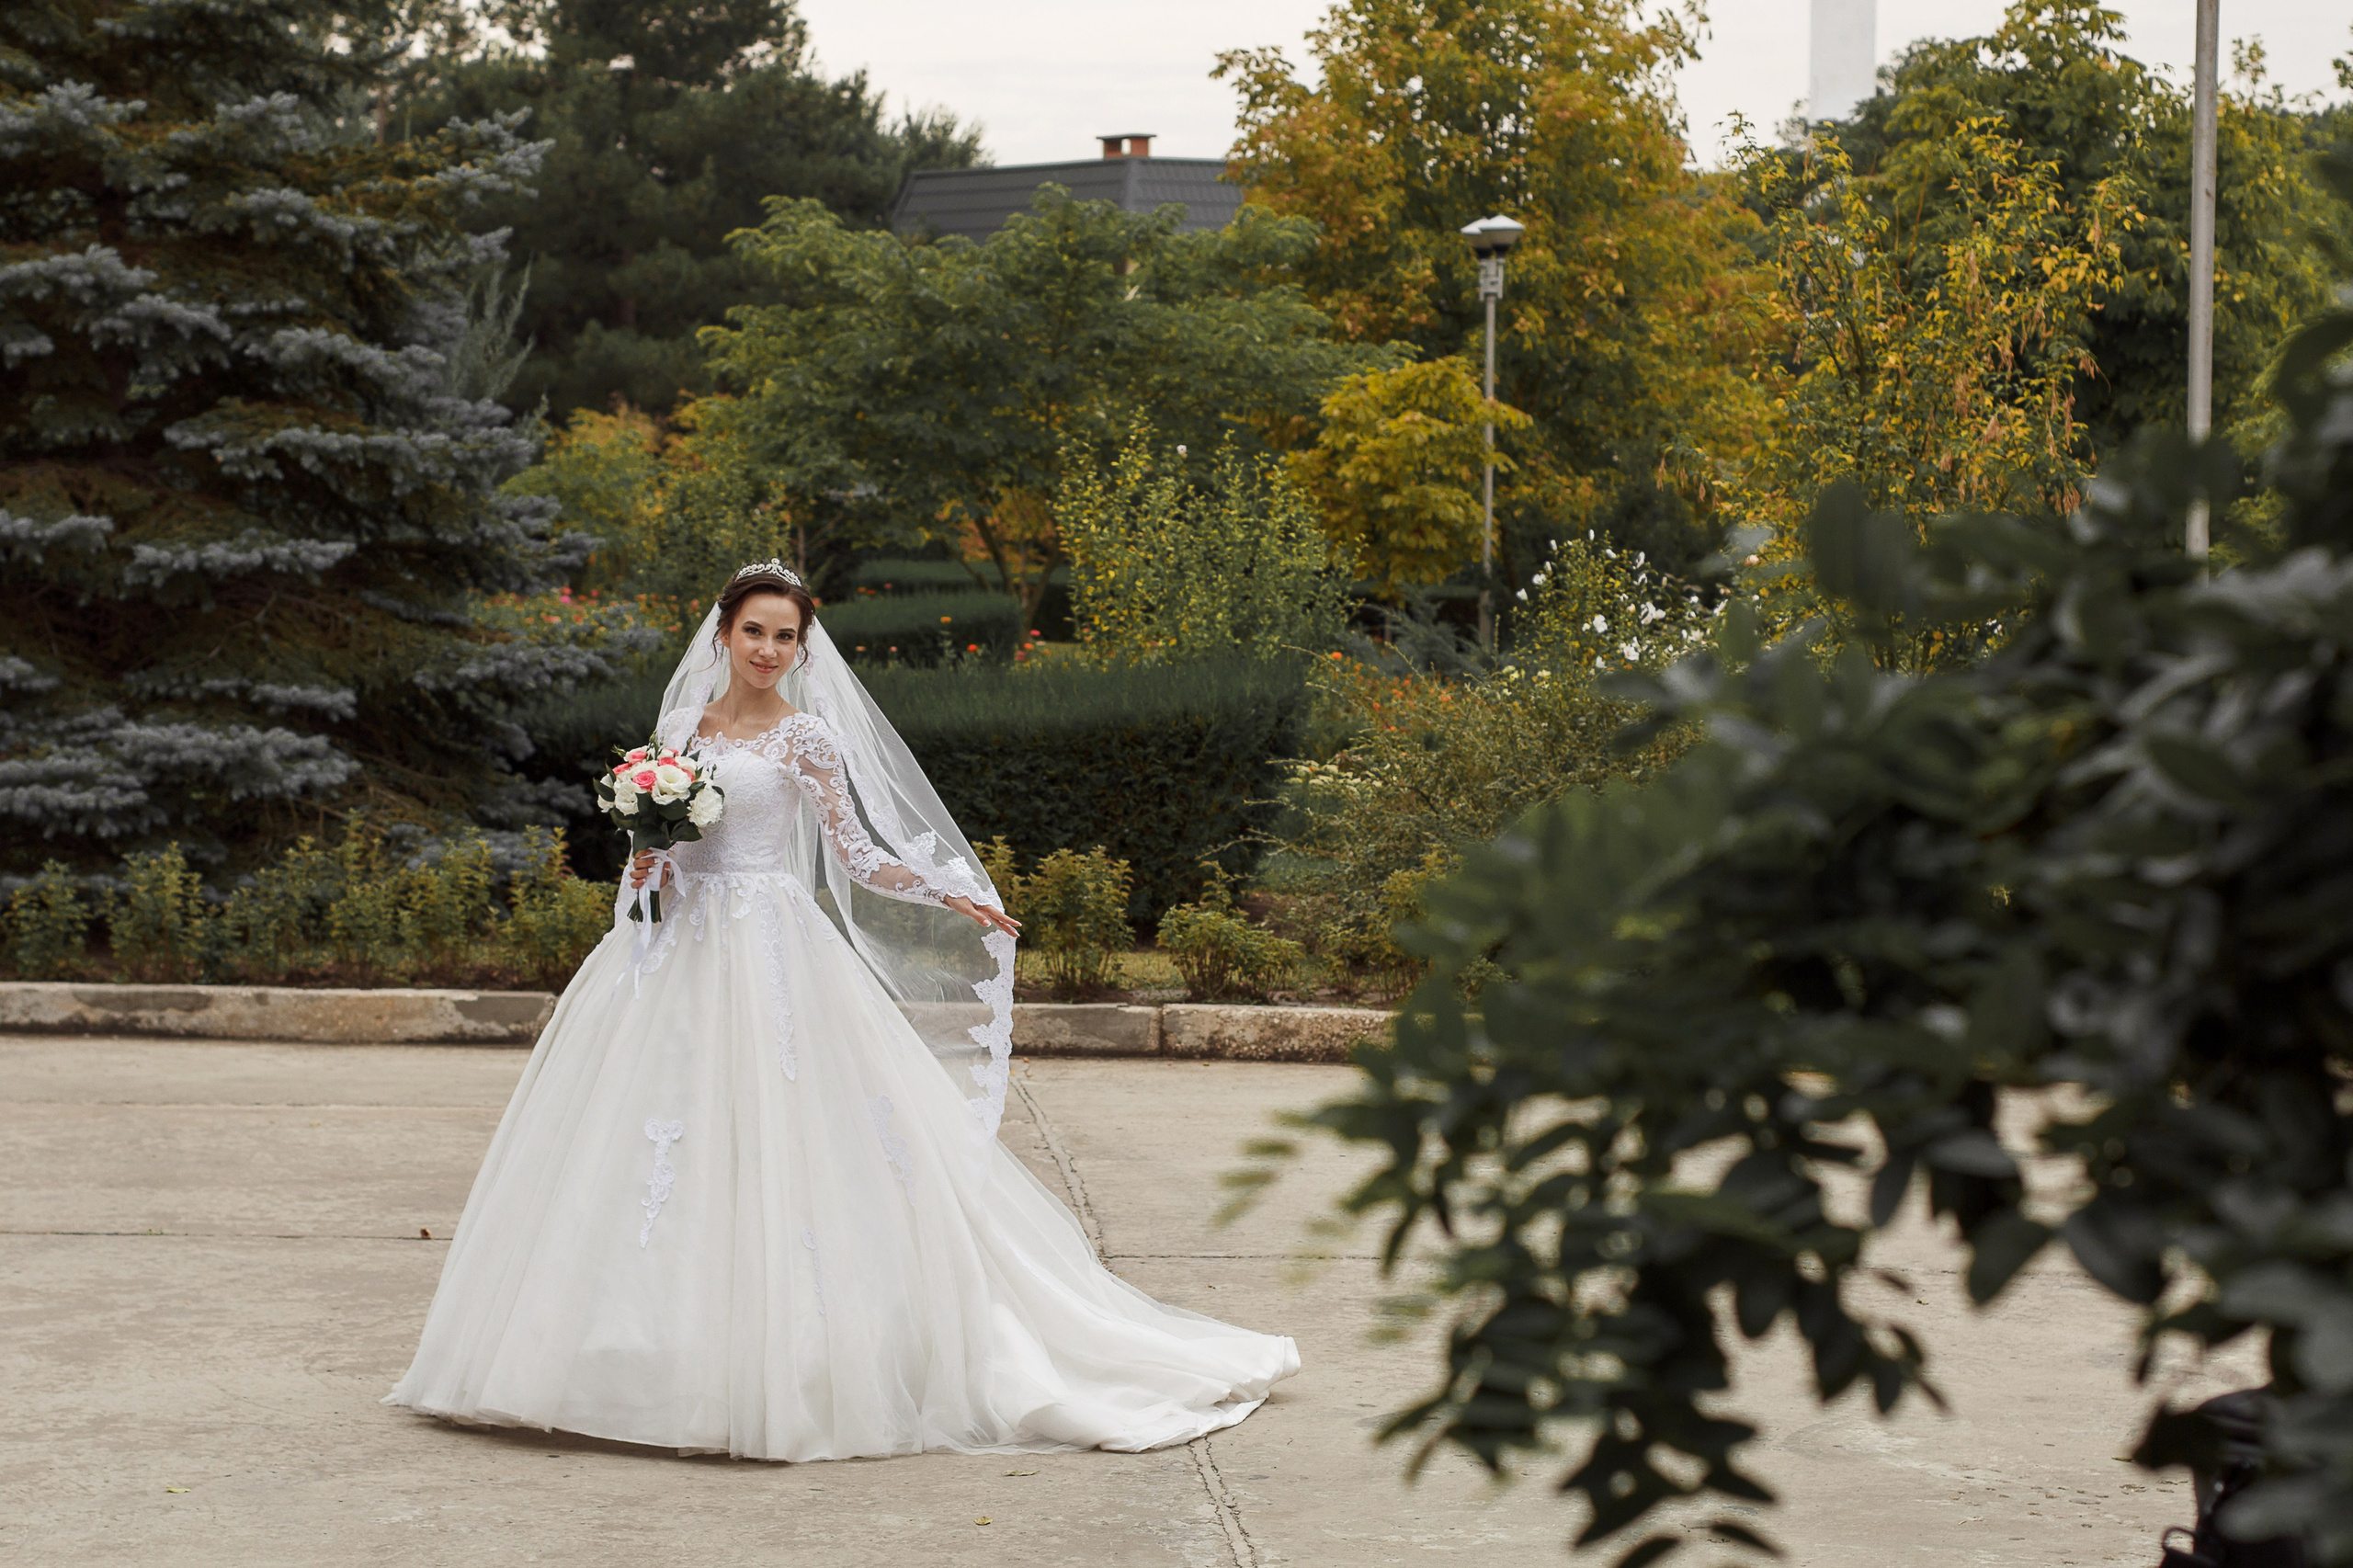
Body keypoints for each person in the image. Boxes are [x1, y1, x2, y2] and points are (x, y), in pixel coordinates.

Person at [387, 561, 1298, 1459]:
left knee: (793, 1140)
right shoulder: (675, 729)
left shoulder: (806, 740)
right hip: (672, 948)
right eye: (755, 630)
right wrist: (644, 863)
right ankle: (627, 1351)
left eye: (787, 635)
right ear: (722, 634)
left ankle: (784, 1361)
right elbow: (653, 857)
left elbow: (856, 853)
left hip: (771, 950)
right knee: (646, 1141)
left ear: (800, 646)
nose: (769, 649)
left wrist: (950, 891)